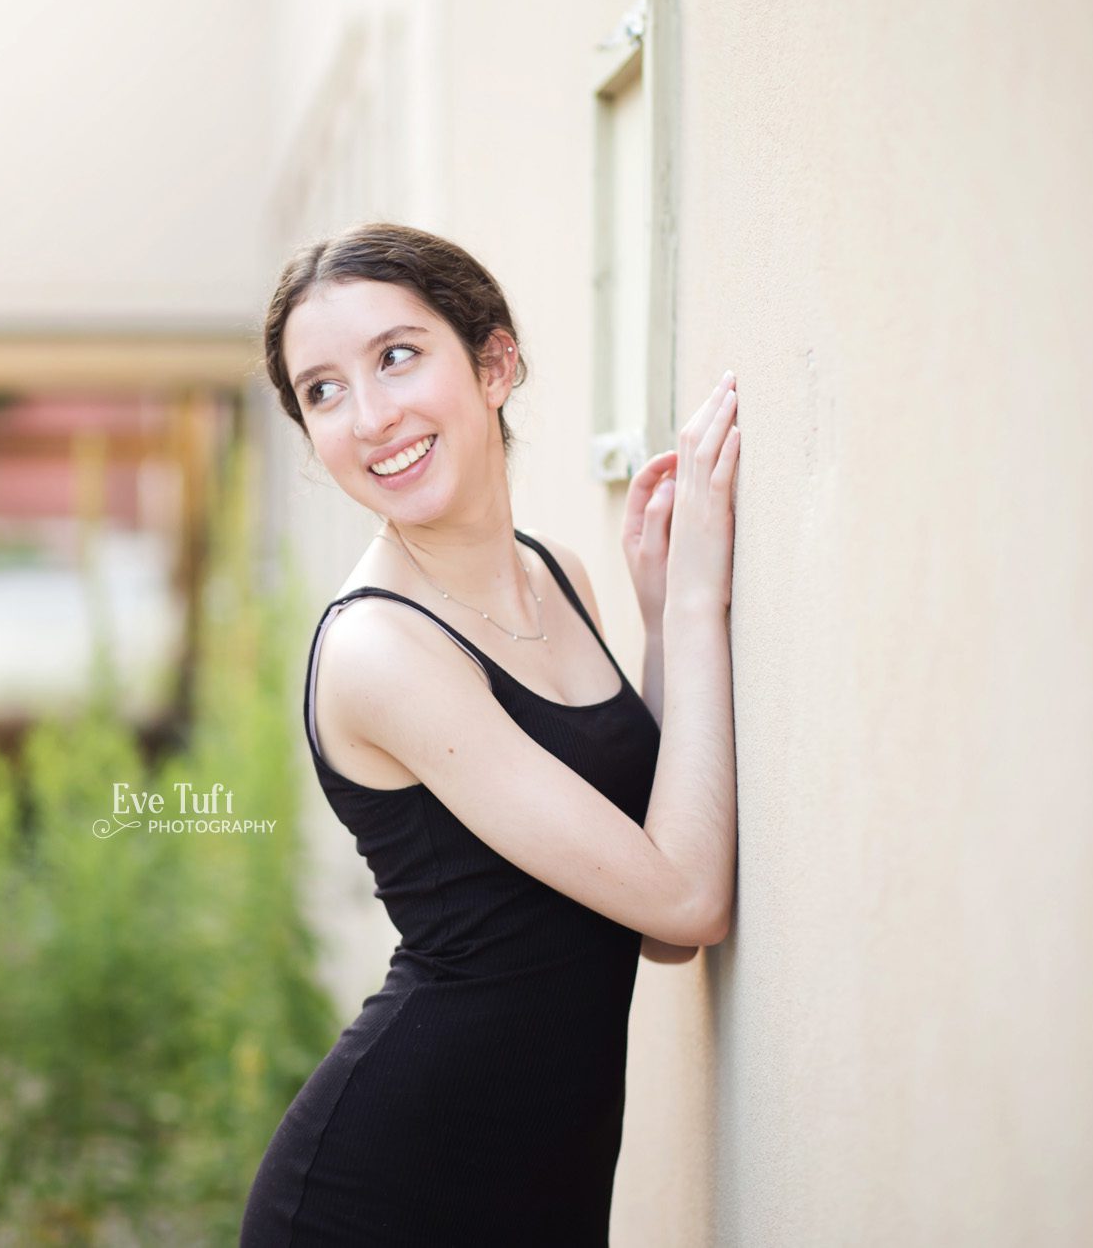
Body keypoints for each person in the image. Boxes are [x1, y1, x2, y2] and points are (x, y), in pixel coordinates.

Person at [238, 222, 738, 1246]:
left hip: (539, 1178)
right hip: (385, 1197)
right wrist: (694, 614)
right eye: (322, 391)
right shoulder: (380, 649)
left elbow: (646, 921)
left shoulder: (558, 574)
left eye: (395, 356)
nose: (369, 416)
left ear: (494, 362)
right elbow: (686, 900)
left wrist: (650, 624)